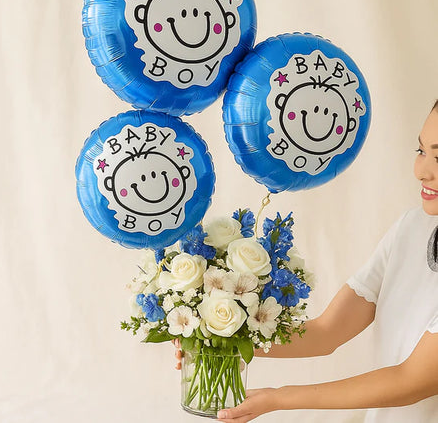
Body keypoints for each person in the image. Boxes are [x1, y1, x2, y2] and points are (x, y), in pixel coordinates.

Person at [174, 101, 438, 422]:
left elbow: (411, 381)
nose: (422, 171)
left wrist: (278, 397)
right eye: (421, 151)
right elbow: (327, 332)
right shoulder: (411, 228)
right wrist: (215, 338)